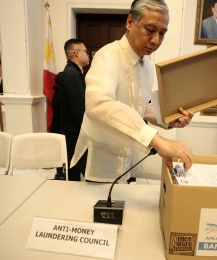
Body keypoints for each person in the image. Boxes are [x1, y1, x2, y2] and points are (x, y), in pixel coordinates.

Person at [70, 0, 194, 183]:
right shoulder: (107, 56)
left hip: (127, 156)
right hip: (99, 157)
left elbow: (140, 107)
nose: (156, 40)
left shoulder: (148, 68)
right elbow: (98, 105)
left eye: (162, 33)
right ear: (130, 22)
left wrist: (168, 118)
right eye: (150, 30)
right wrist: (157, 140)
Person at [51, 39, 89, 181]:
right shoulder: (72, 74)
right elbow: (78, 108)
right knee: (74, 168)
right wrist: (87, 129)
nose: (88, 55)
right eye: (85, 51)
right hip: (73, 131)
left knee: (75, 166)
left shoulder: (74, 72)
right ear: (77, 53)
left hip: (73, 130)